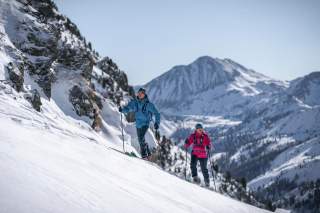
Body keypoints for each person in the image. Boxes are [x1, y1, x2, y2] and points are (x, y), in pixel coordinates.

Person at [119, 88, 160, 159]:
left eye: (141, 93)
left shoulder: (148, 105)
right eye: (139, 93)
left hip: (145, 124)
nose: (140, 95)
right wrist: (122, 110)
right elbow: (128, 108)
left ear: (144, 94)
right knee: (141, 139)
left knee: (141, 138)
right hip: (138, 124)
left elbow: (157, 113)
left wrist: (157, 123)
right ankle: (147, 151)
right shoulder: (135, 103)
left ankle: (144, 156)